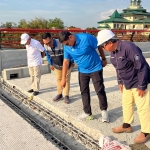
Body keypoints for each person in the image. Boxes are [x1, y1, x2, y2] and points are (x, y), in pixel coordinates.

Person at [97, 29, 150, 144]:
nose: (103, 49)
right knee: (126, 104)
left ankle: (146, 131)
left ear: (110, 42)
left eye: (103, 46)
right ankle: (127, 125)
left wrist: (142, 85)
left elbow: (142, 66)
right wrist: (120, 81)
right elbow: (118, 69)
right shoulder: (113, 52)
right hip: (127, 83)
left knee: (143, 108)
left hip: (138, 82)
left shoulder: (129, 48)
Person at [58, 30, 109, 122]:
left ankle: (104, 111)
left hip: (95, 68)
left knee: (99, 90)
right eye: (65, 44)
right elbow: (66, 62)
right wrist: (63, 79)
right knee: (84, 91)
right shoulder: (66, 47)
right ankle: (87, 112)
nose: (67, 45)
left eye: (67, 43)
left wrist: (104, 59)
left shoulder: (86, 38)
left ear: (70, 37)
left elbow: (99, 46)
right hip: (82, 71)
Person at [42, 32, 74, 104]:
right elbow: (48, 55)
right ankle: (59, 94)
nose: (48, 45)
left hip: (66, 64)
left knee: (66, 80)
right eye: (46, 43)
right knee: (58, 79)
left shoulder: (61, 43)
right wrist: (51, 64)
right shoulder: (46, 45)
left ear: (52, 38)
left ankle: (66, 95)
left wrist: (71, 61)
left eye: (49, 42)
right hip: (56, 65)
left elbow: (70, 51)